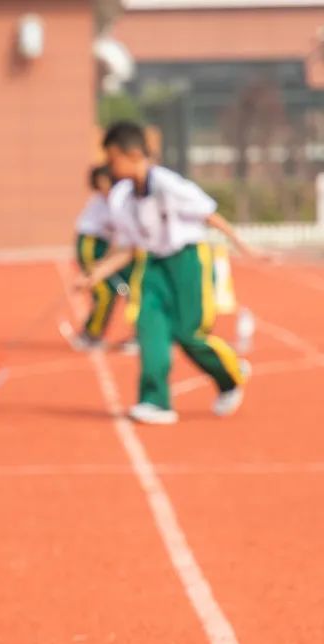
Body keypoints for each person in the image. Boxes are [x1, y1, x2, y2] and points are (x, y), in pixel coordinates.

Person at [80, 121, 258, 425]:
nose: (109, 167)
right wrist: (96, 274)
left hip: (188, 261)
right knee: (150, 328)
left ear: (133, 154)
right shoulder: (122, 197)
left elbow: (209, 216)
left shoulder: (168, 185)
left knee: (188, 334)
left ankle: (229, 374)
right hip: (152, 266)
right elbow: (128, 247)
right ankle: (155, 401)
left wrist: (244, 246)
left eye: (113, 159)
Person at [71, 164, 145, 351]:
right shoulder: (106, 201)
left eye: (106, 183)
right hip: (91, 244)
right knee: (105, 290)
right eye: (99, 184)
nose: (103, 187)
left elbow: (121, 238)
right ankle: (90, 334)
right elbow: (119, 236)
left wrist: (108, 262)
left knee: (131, 287)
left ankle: (141, 334)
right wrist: (99, 267)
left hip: (110, 248)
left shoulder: (120, 198)